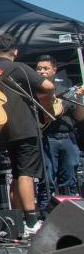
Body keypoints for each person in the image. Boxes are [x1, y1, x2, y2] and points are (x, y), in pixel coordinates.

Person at [0, 34, 54, 236]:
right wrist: (49, 102)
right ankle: (32, 221)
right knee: (26, 174)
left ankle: (16, 221)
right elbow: (48, 86)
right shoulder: (19, 68)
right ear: (15, 51)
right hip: (26, 127)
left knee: (17, 175)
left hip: (5, 129)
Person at [37, 55, 83, 197]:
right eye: (39, 69)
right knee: (47, 179)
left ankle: (71, 214)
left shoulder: (65, 90)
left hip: (68, 138)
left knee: (70, 178)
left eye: (46, 68)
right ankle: (46, 215)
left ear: (54, 70)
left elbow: (79, 117)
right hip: (47, 138)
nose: (42, 72)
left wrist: (80, 96)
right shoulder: (33, 91)